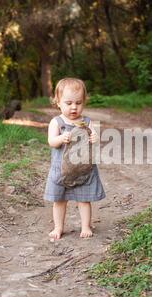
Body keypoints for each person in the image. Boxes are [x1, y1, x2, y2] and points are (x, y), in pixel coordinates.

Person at [44, 78, 106, 240]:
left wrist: (94, 137)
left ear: (83, 102)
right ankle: (58, 227)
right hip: (62, 170)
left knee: (84, 200)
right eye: (69, 103)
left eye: (78, 103)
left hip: (82, 169)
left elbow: (94, 135)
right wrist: (61, 138)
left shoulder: (86, 122)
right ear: (58, 102)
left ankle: (85, 226)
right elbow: (51, 142)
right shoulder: (56, 122)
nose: (74, 107)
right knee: (59, 200)